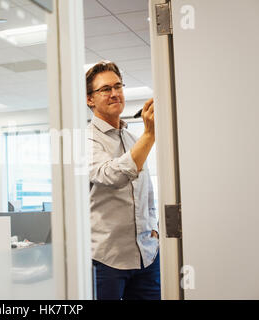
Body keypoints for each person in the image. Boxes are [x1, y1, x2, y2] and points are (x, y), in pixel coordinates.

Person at [86, 60, 160, 300]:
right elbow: (112, 176)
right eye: (105, 89)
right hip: (106, 260)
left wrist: (154, 227)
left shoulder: (132, 138)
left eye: (118, 86)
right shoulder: (84, 140)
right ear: (90, 99)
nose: (114, 93)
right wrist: (150, 135)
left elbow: (146, 191)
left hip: (146, 257)